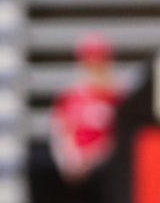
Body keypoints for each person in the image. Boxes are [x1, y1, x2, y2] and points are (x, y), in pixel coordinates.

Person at [47, 32, 121, 201]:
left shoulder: (118, 97)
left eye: (99, 62)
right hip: (79, 177)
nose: (95, 68)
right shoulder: (69, 97)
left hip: (109, 174)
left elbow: (122, 136)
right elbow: (60, 131)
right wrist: (70, 159)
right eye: (90, 62)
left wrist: (98, 156)